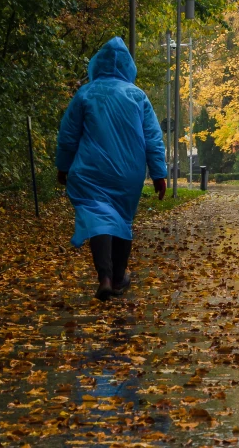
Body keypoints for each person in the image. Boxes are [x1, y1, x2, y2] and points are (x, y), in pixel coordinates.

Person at [55, 37, 168, 301]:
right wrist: (159, 174)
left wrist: (63, 166)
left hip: (91, 170)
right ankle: (118, 277)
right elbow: (153, 137)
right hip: (128, 173)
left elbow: (68, 135)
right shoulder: (137, 96)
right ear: (129, 67)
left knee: (98, 218)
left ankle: (105, 277)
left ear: (97, 64)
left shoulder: (86, 93)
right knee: (121, 220)